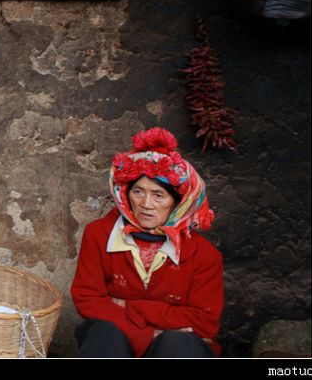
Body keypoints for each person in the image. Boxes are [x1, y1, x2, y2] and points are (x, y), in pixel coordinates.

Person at [71, 127, 223, 357]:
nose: (146, 204)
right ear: (126, 195)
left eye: (158, 195)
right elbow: (87, 298)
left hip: (177, 345)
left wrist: (130, 306)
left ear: (177, 203)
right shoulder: (98, 234)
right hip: (116, 337)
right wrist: (146, 334)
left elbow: (205, 321)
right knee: (104, 334)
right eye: (138, 192)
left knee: (177, 344)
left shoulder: (204, 255)